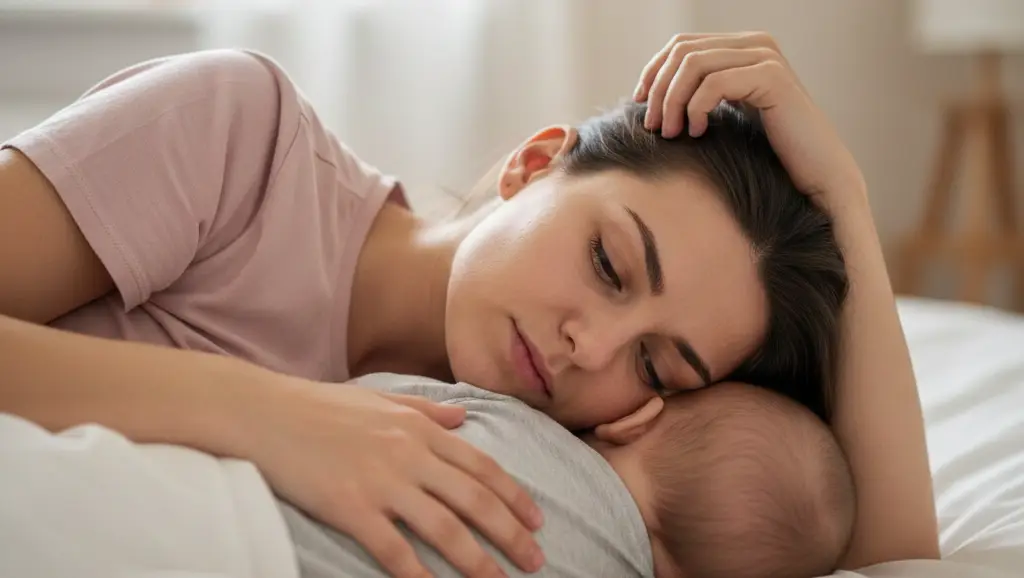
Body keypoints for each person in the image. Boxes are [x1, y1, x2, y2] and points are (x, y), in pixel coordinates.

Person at [0, 30, 939, 577]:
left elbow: (886, 558)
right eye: (610, 264)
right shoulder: (239, 140)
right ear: (534, 166)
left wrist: (846, 201)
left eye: (654, 363)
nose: (591, 347)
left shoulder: (552, 470)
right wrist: (272, 416)